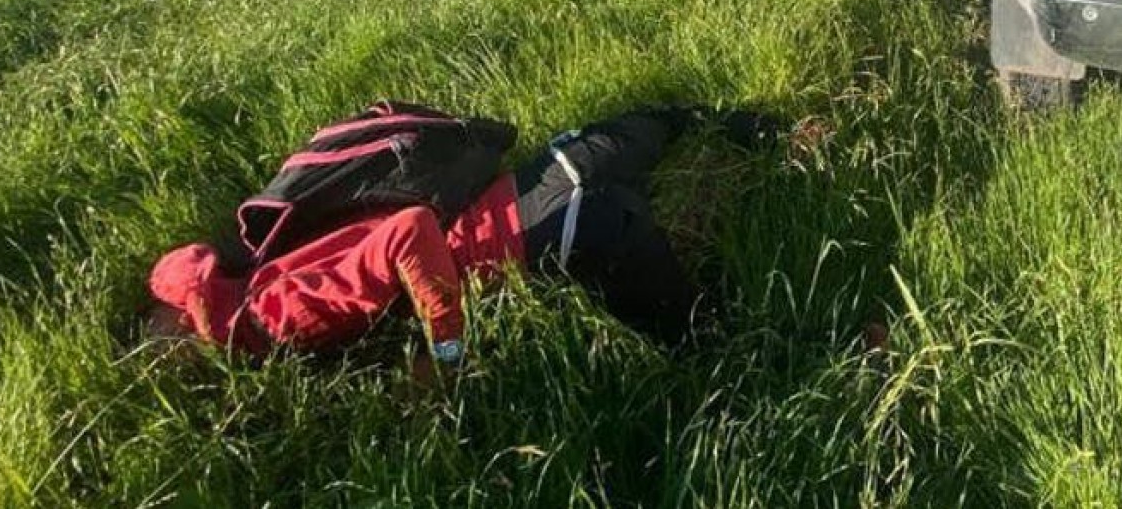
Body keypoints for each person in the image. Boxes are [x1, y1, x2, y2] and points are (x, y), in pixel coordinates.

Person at [147, 110, 737, 368]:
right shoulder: (236, 275)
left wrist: (445, 353)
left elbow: (409, 231)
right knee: (635, 134)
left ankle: (725, 355)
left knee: (698, 337)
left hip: (520, 234)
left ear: (191, 340)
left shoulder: (273, 318)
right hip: (515, 192)